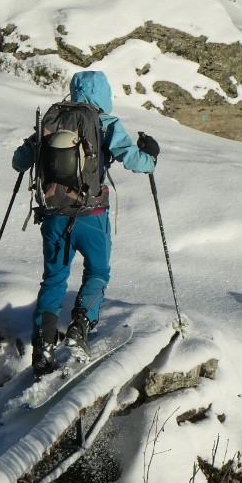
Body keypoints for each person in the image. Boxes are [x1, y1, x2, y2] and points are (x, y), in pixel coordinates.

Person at [13, 70, 159, 376]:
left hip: (54, 216)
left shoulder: (51, 122)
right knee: (97, 272)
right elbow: (137, 163)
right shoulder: (106, 123)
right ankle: (80, 328)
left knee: (54, 280)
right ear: (103, 96)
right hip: (92, 216)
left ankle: (42, 347)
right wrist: (151, 154)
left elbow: (19, 161)